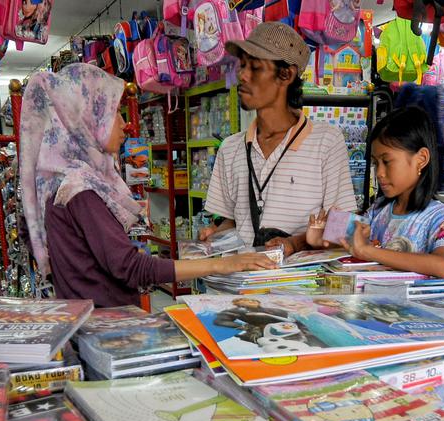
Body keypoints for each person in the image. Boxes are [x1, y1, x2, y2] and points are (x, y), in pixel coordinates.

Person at [20, 64, 273, 308]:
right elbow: (131, 267)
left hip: (87, 325)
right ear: (84, 120)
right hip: (105, 329)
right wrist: (223, 265)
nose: (124, 124)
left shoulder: (58, 182)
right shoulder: (80, 191)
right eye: (114, 113)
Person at [200, 22, 357, 253]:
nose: (242, 76)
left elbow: (342, 227)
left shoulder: (326, 142)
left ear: (286, 74)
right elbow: (232, 222)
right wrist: (215, 235)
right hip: (244, 283)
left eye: (254, 67)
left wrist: (295, 243)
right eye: (242, 66)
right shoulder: (230, 148)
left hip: (301, 286)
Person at [305, 107, 444, 278]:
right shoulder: (377, 211)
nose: (379, 173)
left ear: (421, 159)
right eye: (376, 163)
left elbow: (443, 265)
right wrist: (321, 239)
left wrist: (368, 251)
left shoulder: (441, 217)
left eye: (387, 161)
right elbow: (354, 246)